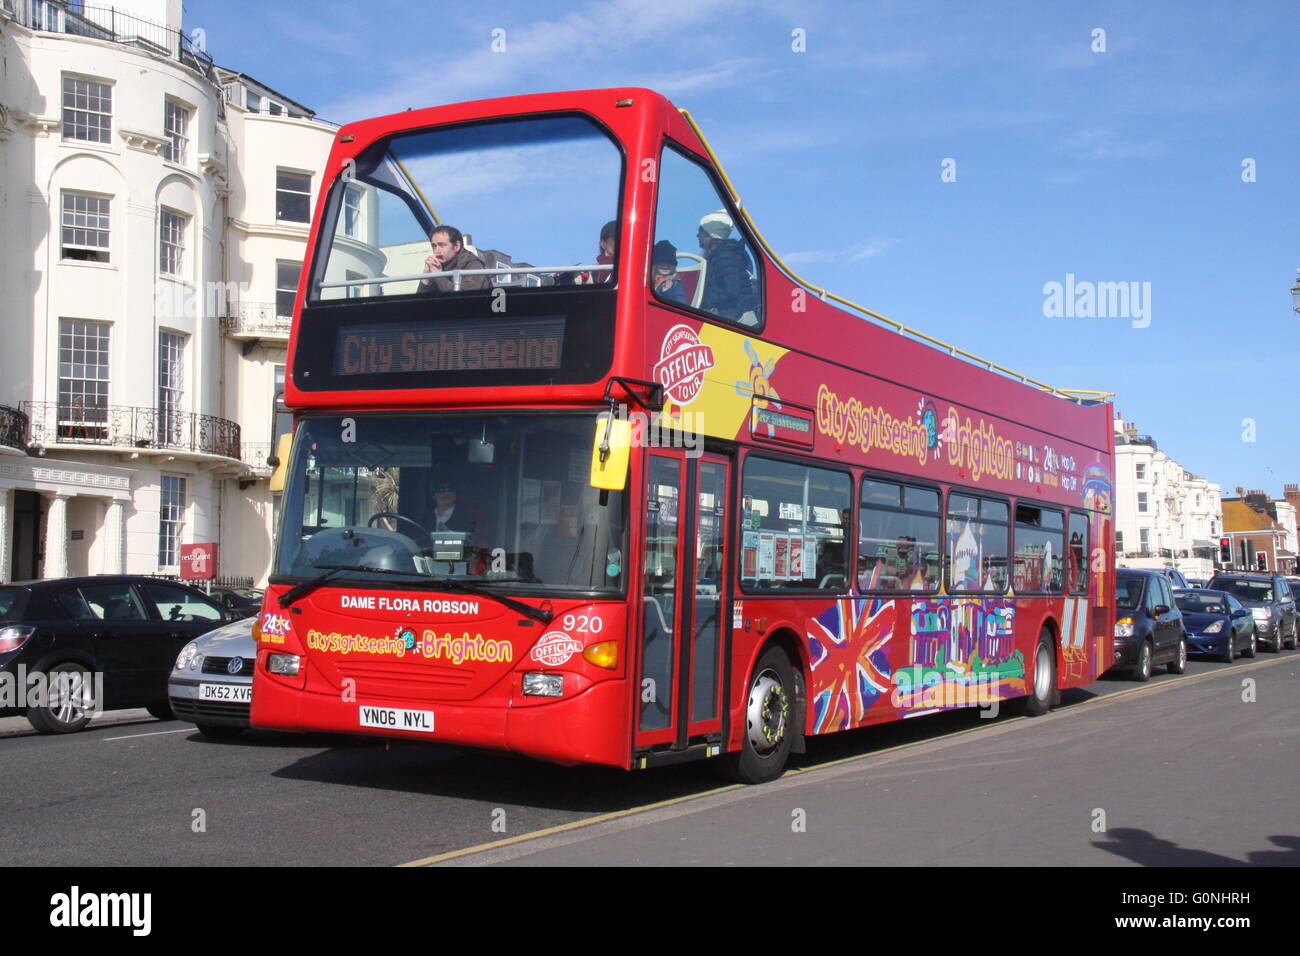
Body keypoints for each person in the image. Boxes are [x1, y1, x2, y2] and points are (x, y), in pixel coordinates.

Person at [696, 210, 757, 320]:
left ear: (710, 234)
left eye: (700, 232)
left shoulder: (725, 256)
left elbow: (731, 291)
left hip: (734, 317)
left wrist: (703, 299)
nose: (697, 236)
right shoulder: (719, 256)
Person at [419, 225, 488, 293]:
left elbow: (464, 297)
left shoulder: (474, 264)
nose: (437, 250)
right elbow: (419, 301)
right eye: (434, 246)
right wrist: (425, 278)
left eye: (442, 245)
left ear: (456, 246)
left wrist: (438, 275)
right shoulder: (436, 267)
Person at [651, 239, 686, 304]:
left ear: (674, 267)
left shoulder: (675, 285)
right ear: (654, 264)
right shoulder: (649, 282)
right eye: (661, 262)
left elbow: (682, 303)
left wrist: (667, 292)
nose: (665, 265)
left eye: (670, 262)